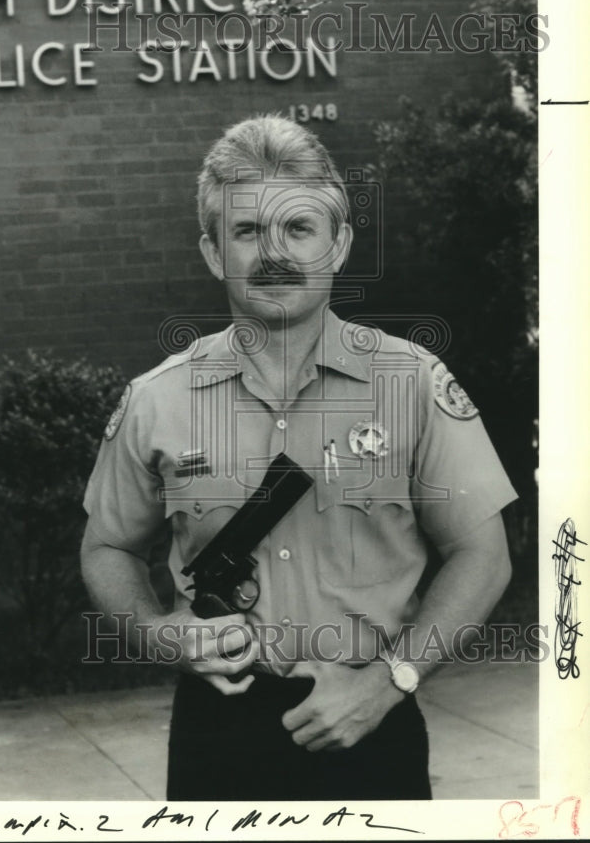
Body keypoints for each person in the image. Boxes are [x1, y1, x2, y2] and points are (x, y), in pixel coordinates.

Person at [80, 114, 516, 801]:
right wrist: (162, 633)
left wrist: (390, 682)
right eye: (248, 232)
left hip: (372, 722)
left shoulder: (413, 384)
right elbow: (106, 547)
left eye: (298, 228)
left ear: (338, 245)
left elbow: (484, 555)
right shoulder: (155, 400)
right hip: (214, 732)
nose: (273, 254)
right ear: (213, 251)